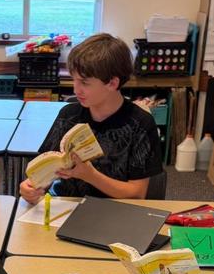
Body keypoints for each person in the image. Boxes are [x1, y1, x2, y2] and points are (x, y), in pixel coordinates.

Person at [20, 33, 162, 204]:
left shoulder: (140, 123)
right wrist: (32, 187)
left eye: (84, 83)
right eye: (74, 80)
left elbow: (137, 194)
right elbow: (46, 166)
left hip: (116, 212)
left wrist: (91, 176)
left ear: (112, 83)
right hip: (67, 209)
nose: (76, 90)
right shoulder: (69, 115)